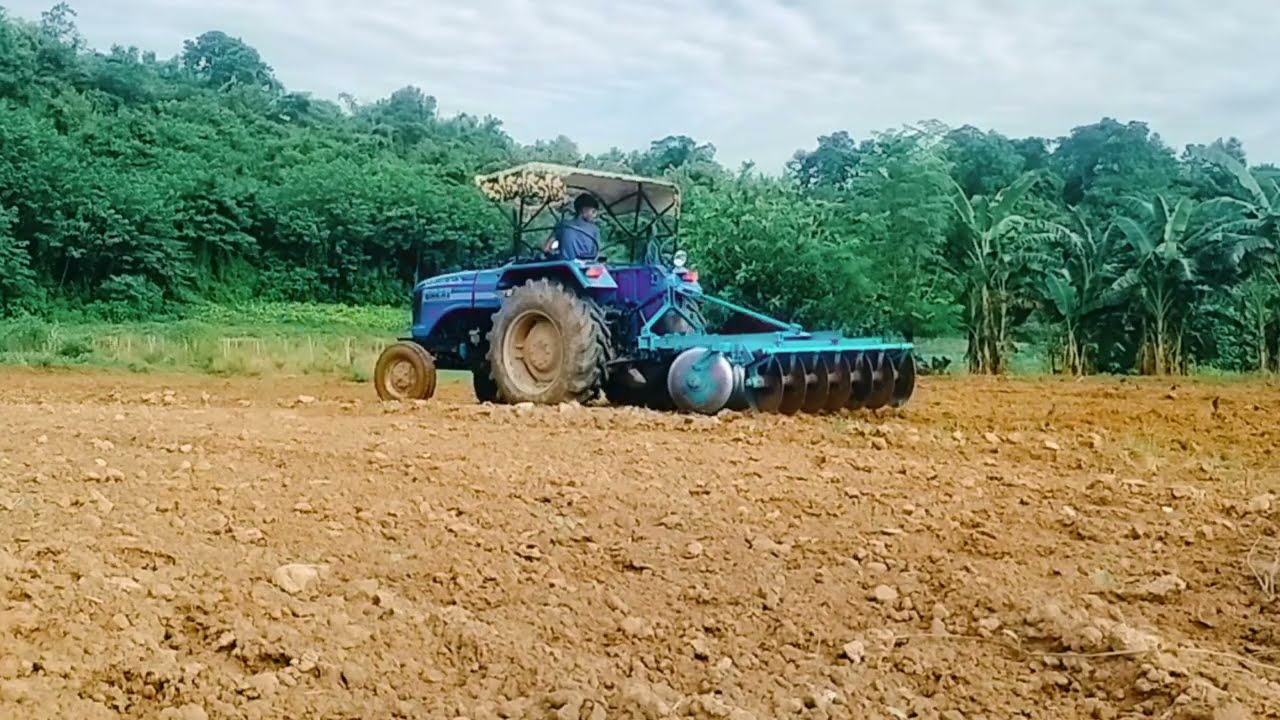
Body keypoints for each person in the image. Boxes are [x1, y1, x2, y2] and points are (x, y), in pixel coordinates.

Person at [545, 193, 601, 261]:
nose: (594, 216)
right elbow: (595, 254)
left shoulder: (562, 225)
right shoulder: (595, 229)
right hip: (583, 268)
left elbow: (547, 248)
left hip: (565, 267)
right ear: (584, 210)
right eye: (593, 212)